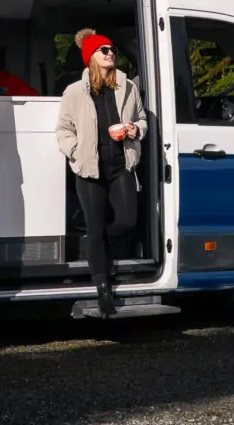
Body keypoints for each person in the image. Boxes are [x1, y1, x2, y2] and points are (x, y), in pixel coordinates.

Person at [55, 28, 147, 317]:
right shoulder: (74, 92)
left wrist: (135, 130)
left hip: (121, 166)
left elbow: (142, 119)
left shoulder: (127, 87)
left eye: (112, 50)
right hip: (89, 170)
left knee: (128, 221)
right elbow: (63, 130)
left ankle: (100, 244)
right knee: (94, 229)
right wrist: (75, 151)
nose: (111, 54)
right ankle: (103, 292)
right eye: (104, 50)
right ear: (91, 57)